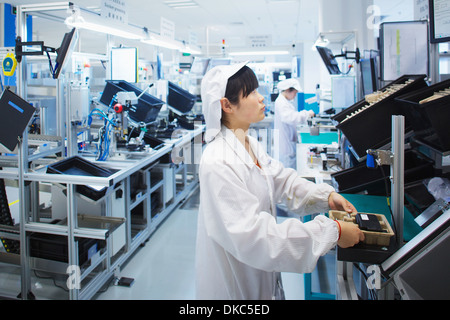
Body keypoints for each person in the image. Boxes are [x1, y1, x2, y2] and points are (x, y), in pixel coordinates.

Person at [196, 62, 364, 300]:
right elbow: (255, 238)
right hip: (236, 290)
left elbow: (281, 181)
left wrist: (324, 197)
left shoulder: (249, 143)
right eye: (252, 92)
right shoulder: (217, 162)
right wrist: (330, 232)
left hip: (262, 278)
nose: (261, 98)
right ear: (226, 105)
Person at [274, 78, 315, 169]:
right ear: (288, 90)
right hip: (286, 147)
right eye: (295, 93)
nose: (295, 95)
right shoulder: (281, 102)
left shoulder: (284, 101)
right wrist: (307, 114)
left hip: (288, 142)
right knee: (288, 171)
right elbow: (290, 117)